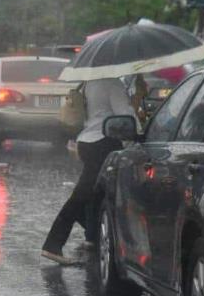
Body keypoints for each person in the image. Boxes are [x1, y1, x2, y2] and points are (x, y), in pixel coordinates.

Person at [41, 74, 146, 265]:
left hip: (87, 141)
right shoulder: (112, 83)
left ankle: (92, 234)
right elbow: (124, 114)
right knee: (82, 194)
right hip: (102, 143)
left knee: (94, 193)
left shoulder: (91, 80)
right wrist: (140, 133)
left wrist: (137, 94)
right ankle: (52, 244)